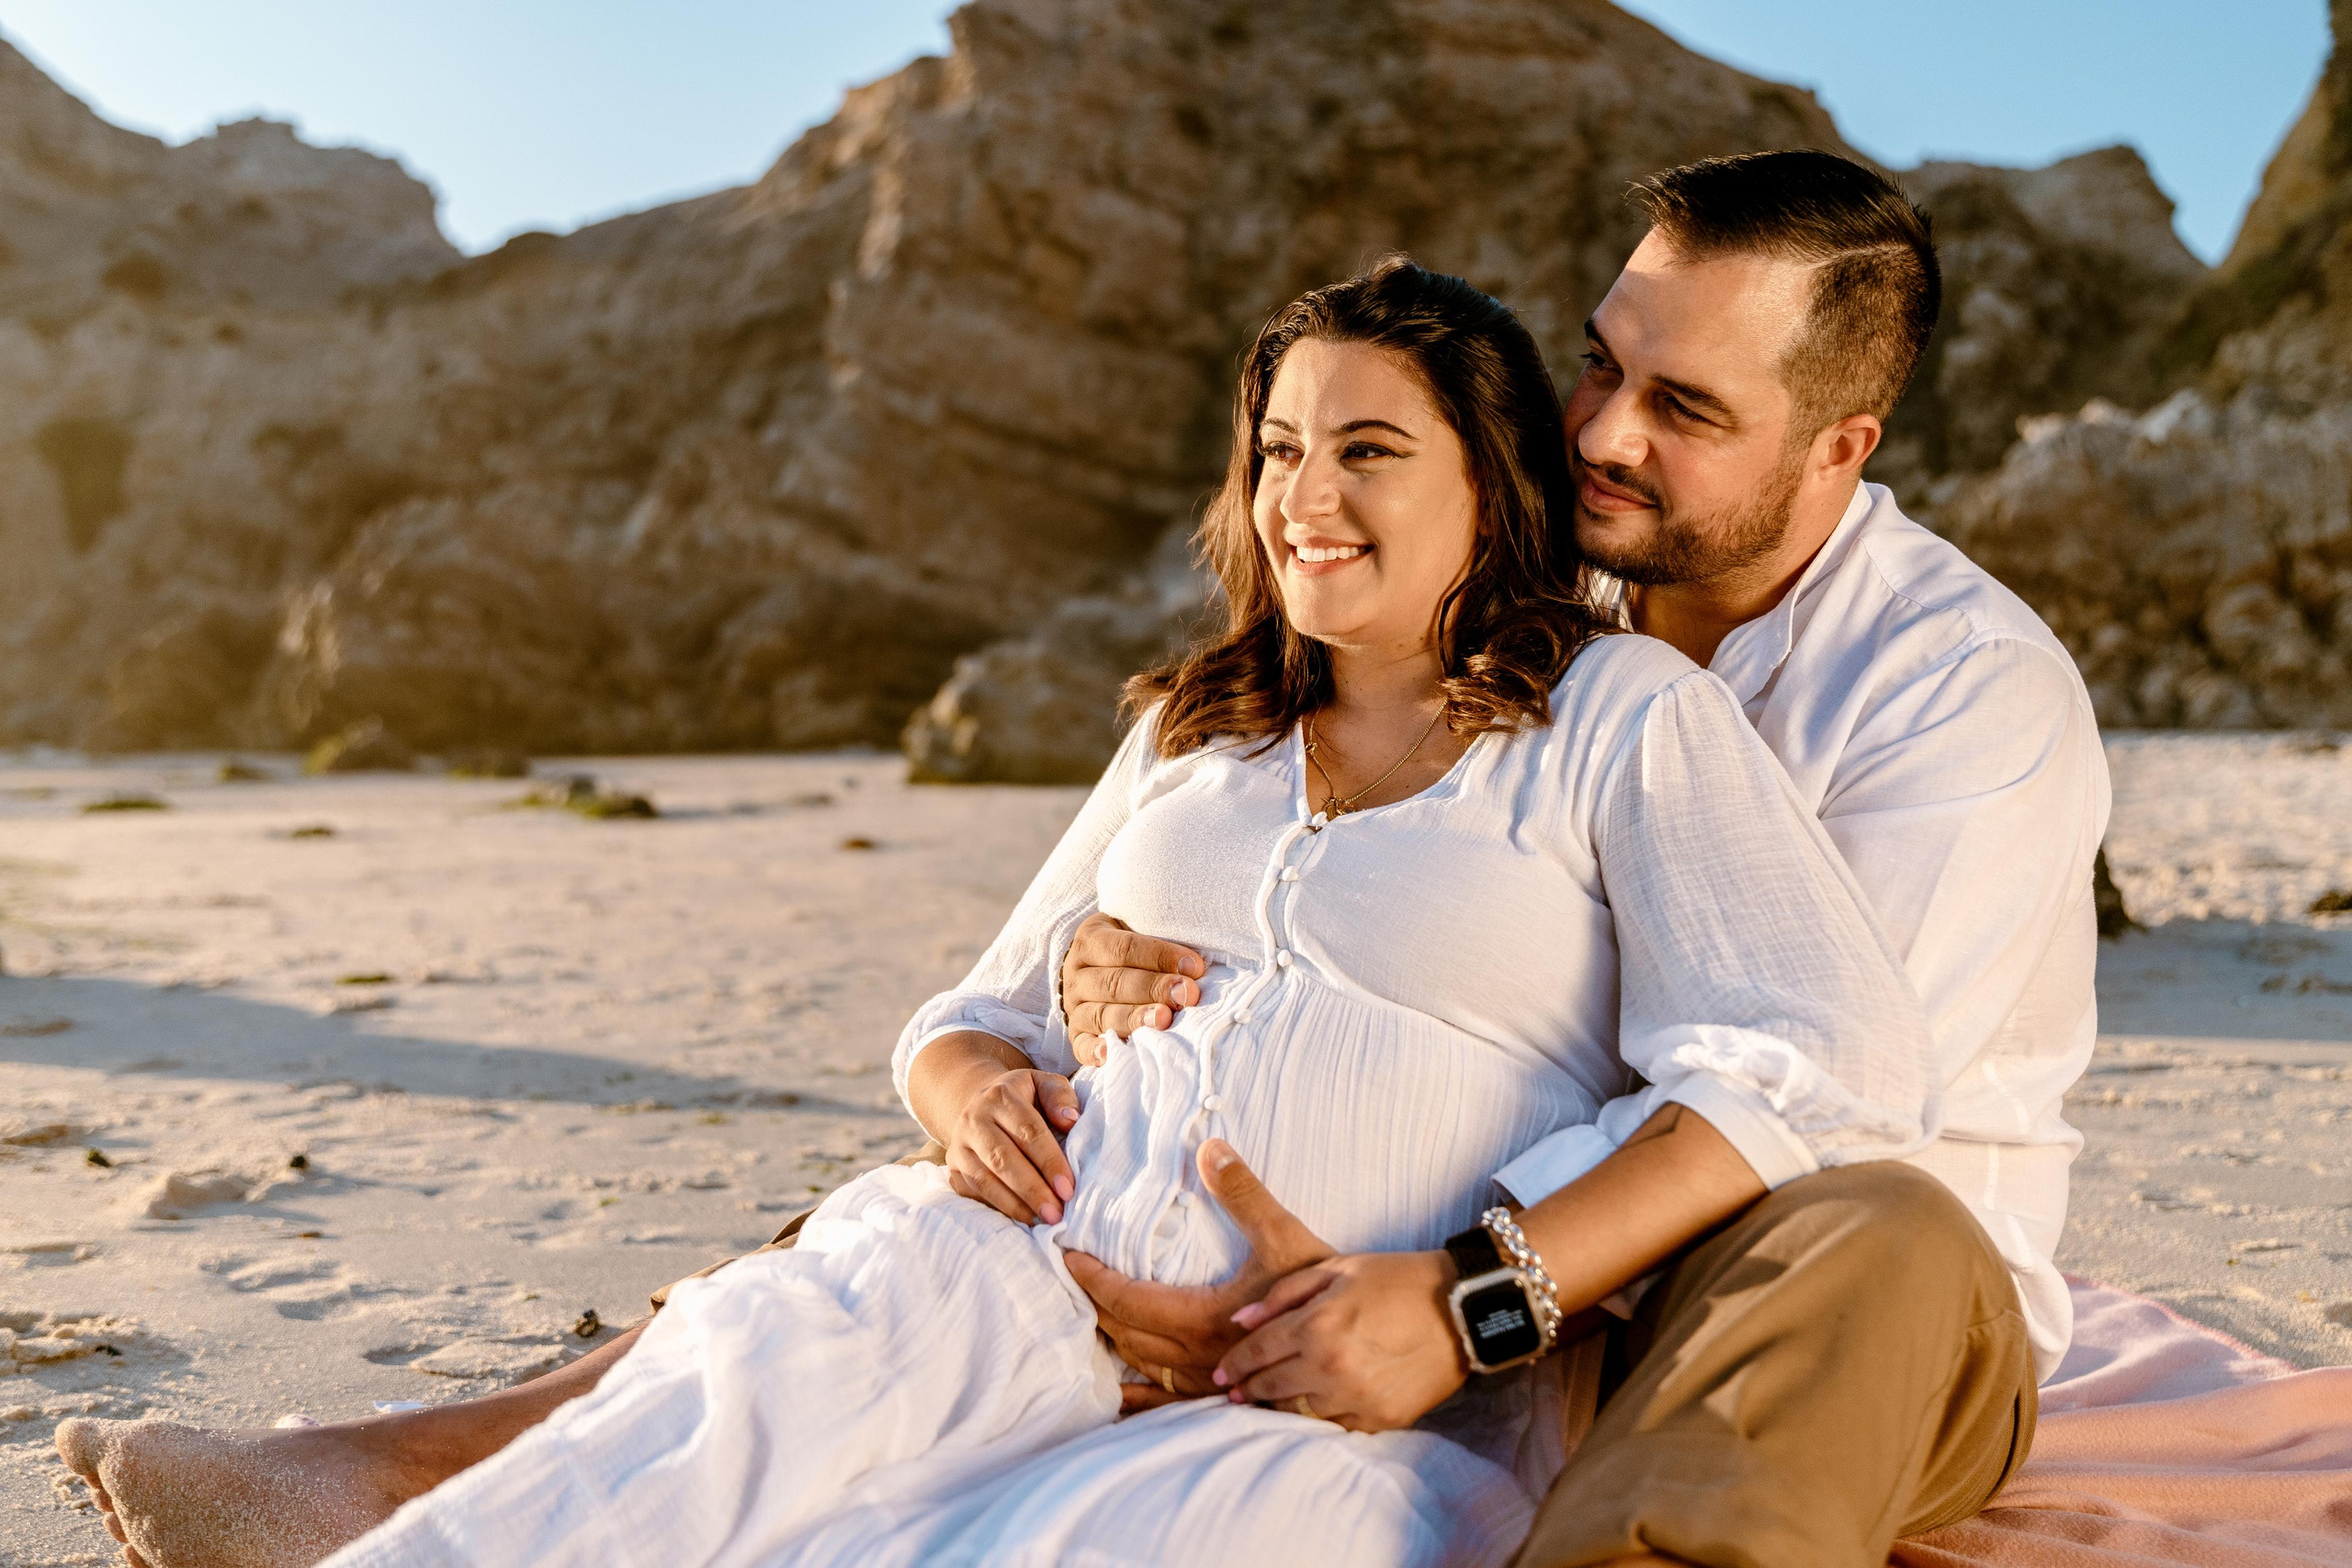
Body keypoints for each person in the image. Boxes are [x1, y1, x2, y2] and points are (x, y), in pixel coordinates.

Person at [62, 150, 2109, 1568]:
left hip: (1830, 1288)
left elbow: (1815, 1095)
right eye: (1592, 365)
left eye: (1680, 404)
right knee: (905, 1239)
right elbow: (1035, 976)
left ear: (1838, 445)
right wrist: (1090, 1028)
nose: (1601, 435)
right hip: (1311, 1258)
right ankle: (418, 1475)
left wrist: (1417, 1285)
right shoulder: (1448, 623)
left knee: (1848, 1236)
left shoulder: (1948, 695)